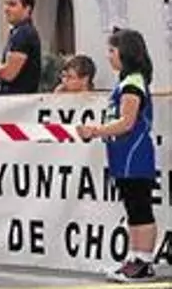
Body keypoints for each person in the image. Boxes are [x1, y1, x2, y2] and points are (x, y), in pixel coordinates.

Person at [76, 29, 156, 282]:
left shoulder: (133, 83)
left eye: (112, 50)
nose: (108, 56)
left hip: (134, 155)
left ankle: (144, 261)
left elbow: (126, 122)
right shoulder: (126, 81)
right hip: (122, 155)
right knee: (132, 208)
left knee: (140, 208)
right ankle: (134, 257)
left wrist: (95, 130)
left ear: (126, 52)